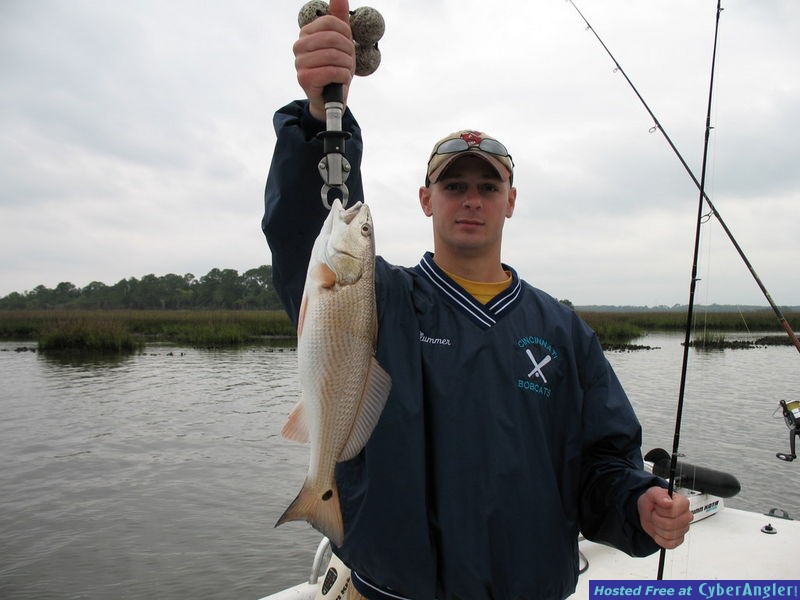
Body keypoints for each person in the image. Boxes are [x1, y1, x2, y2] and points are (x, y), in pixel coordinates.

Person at [263, 1, 692, 598]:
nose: (471, 199)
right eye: (454, 185)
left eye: (488, 186)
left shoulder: (563, 332)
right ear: (425, 199)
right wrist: (319, 116)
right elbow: (306, 233)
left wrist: (637, 503)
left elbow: (603, 461)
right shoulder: (377, 299)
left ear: (511, 200)